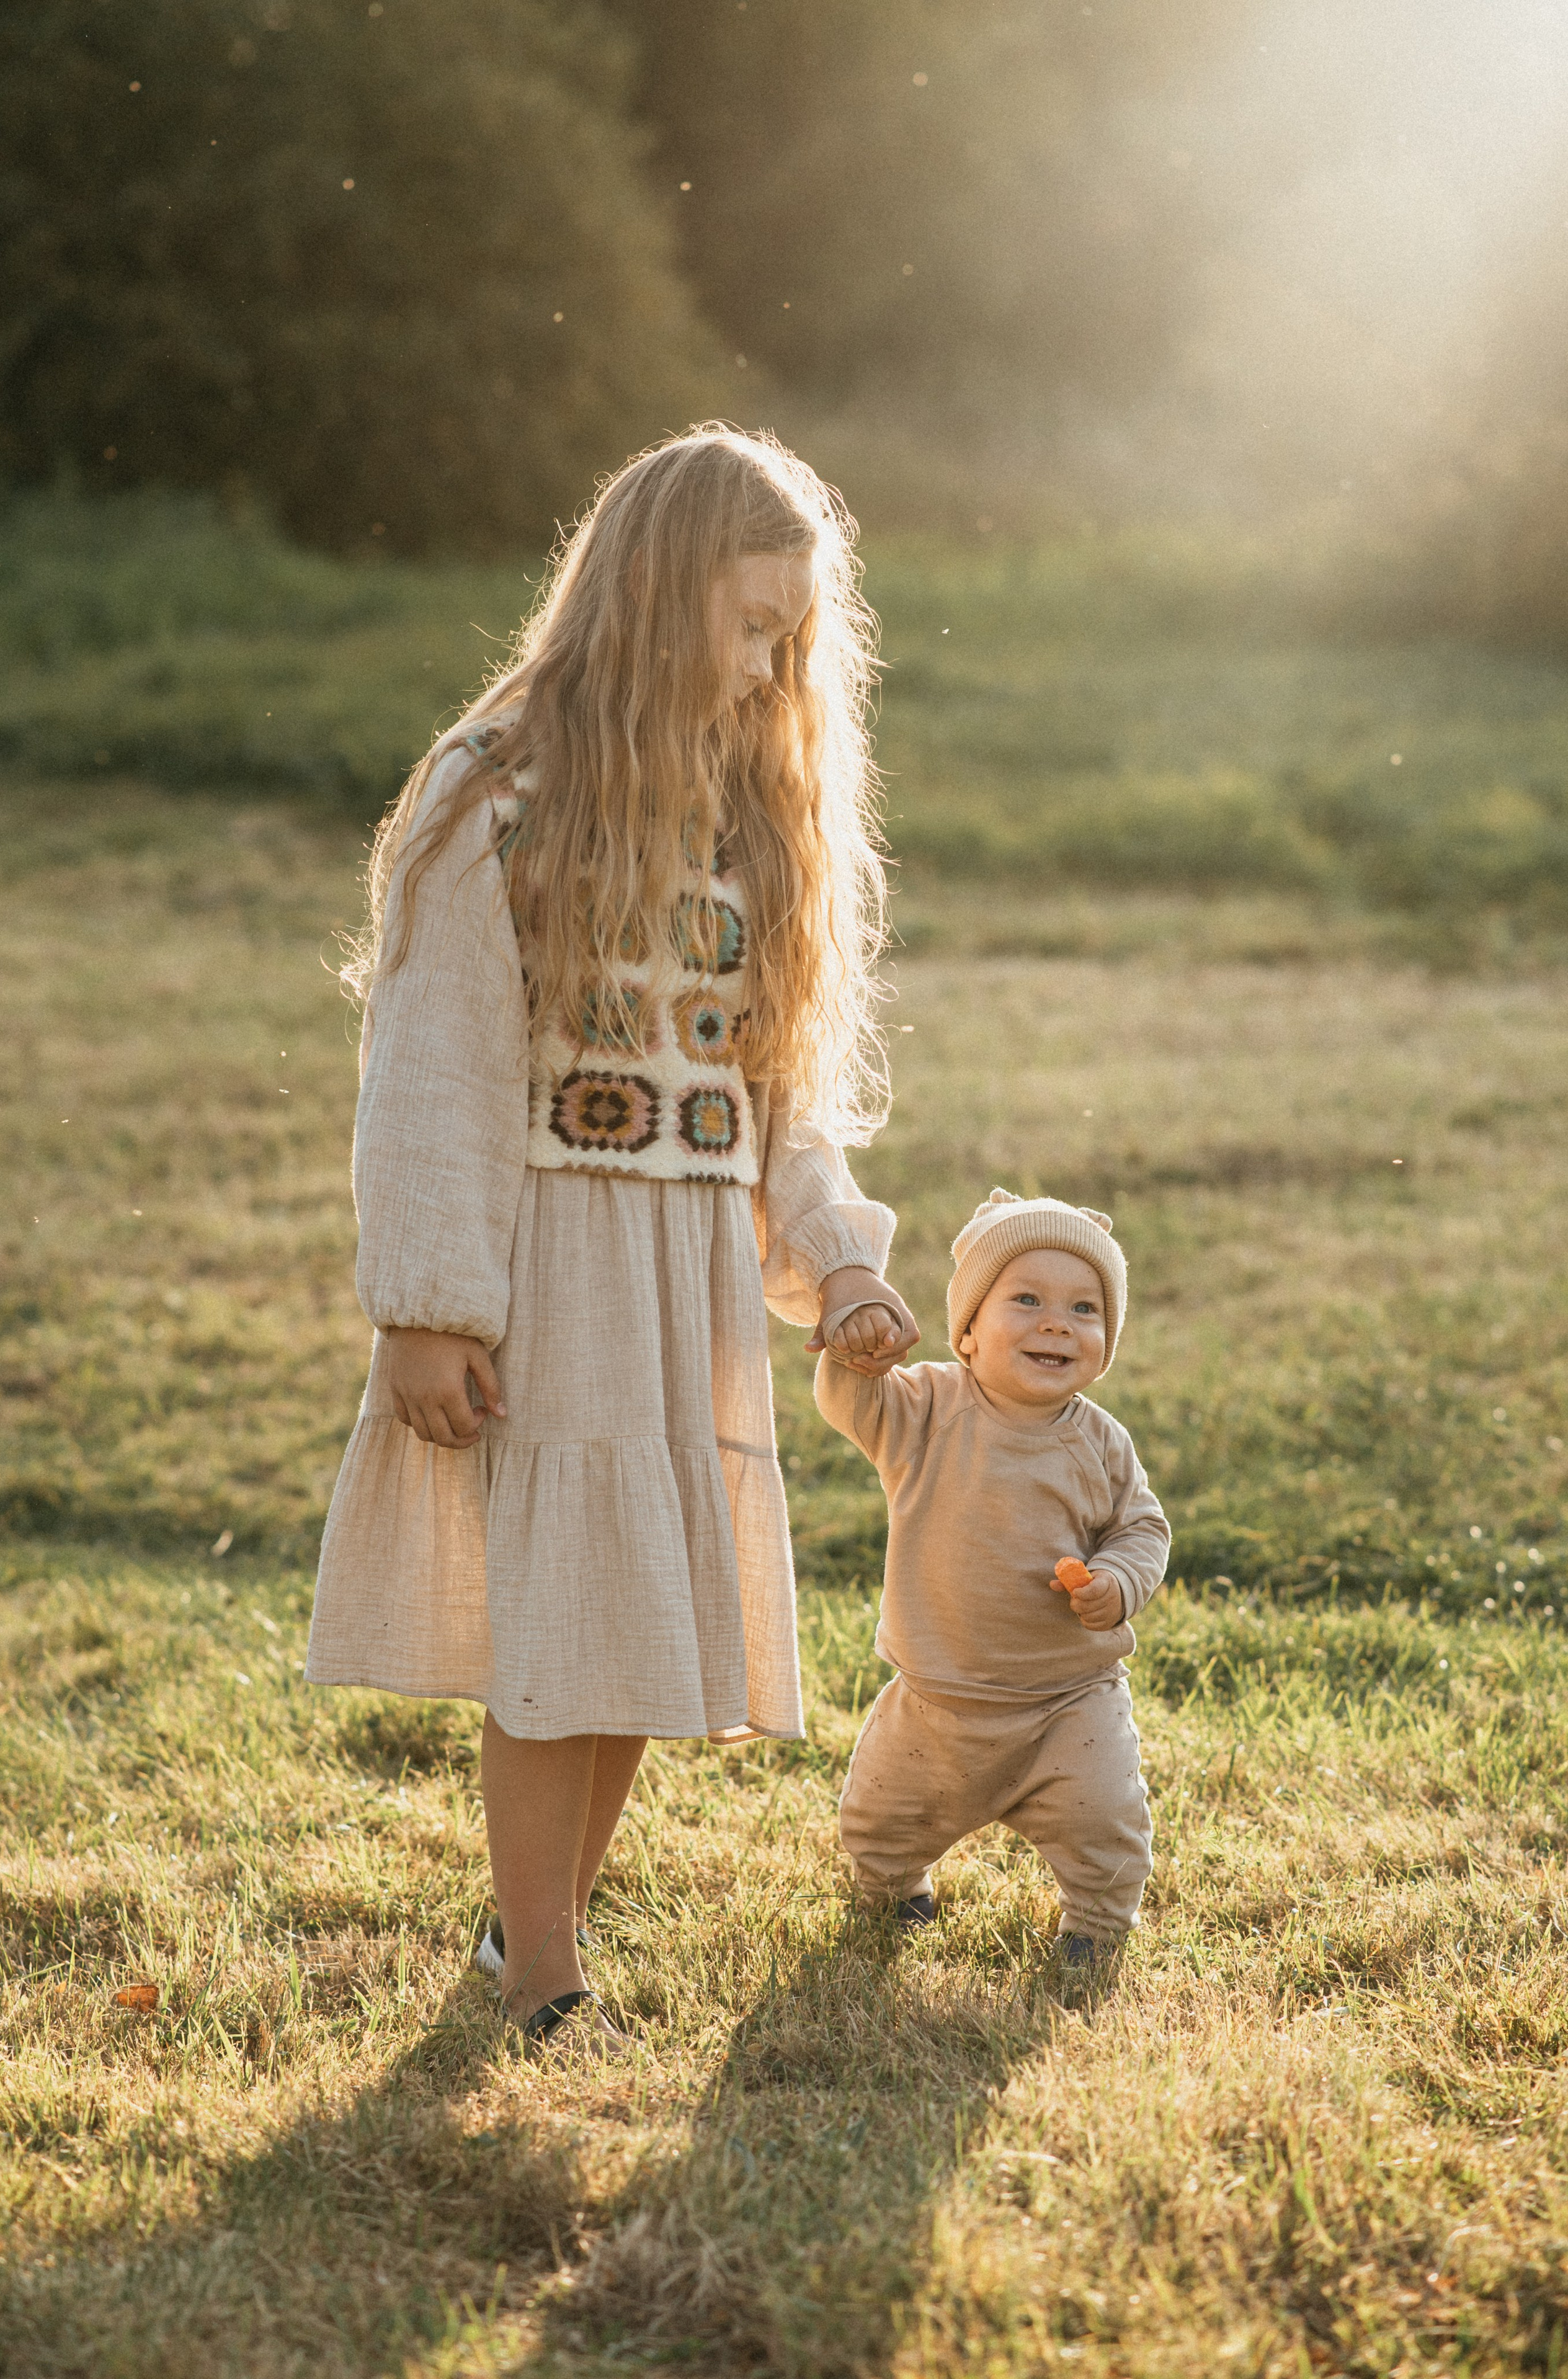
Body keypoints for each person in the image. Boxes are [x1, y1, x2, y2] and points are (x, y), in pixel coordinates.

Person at [306, 428, 920, 2048]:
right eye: (745, 622)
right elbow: (432, 1061)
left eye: (792, 633)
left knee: (645, 1620)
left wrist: (840, 1255)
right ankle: (549, 1972)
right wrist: (431, 1302)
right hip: (556, 1259)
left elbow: (775, 1087)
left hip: (696, 1274)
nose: (768, 661)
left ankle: (535, 1926)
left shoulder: (751, 810)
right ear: (649, 599)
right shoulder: (496, 784)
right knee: (563, 1623)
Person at [814, 1190, 1170, 1962]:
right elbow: (853, 1405)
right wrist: (857, 1358)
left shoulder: (1101, 1442)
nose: (1056, 1322)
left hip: (1066, 1700)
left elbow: (1142, 1528)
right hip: (937, 1696)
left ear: (1105, 1342)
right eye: (1027, 1300)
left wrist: (1115, 1581)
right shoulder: (927, 1409)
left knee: (1104, 1819)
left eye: (1084, 1308)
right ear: (968, 1331)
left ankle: (1095, 1929)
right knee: (880, 1819)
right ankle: (893, 1898)